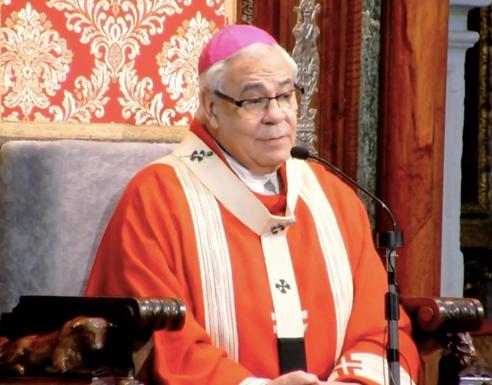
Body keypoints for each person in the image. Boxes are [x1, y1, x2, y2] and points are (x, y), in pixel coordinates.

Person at [85, 24, 419, 385]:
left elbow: (378, 324)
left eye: (286, 96)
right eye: (255, 99)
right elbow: (155, 338)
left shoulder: (334, 198)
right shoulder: (158, 197)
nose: (276, 115)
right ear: (211, 109)